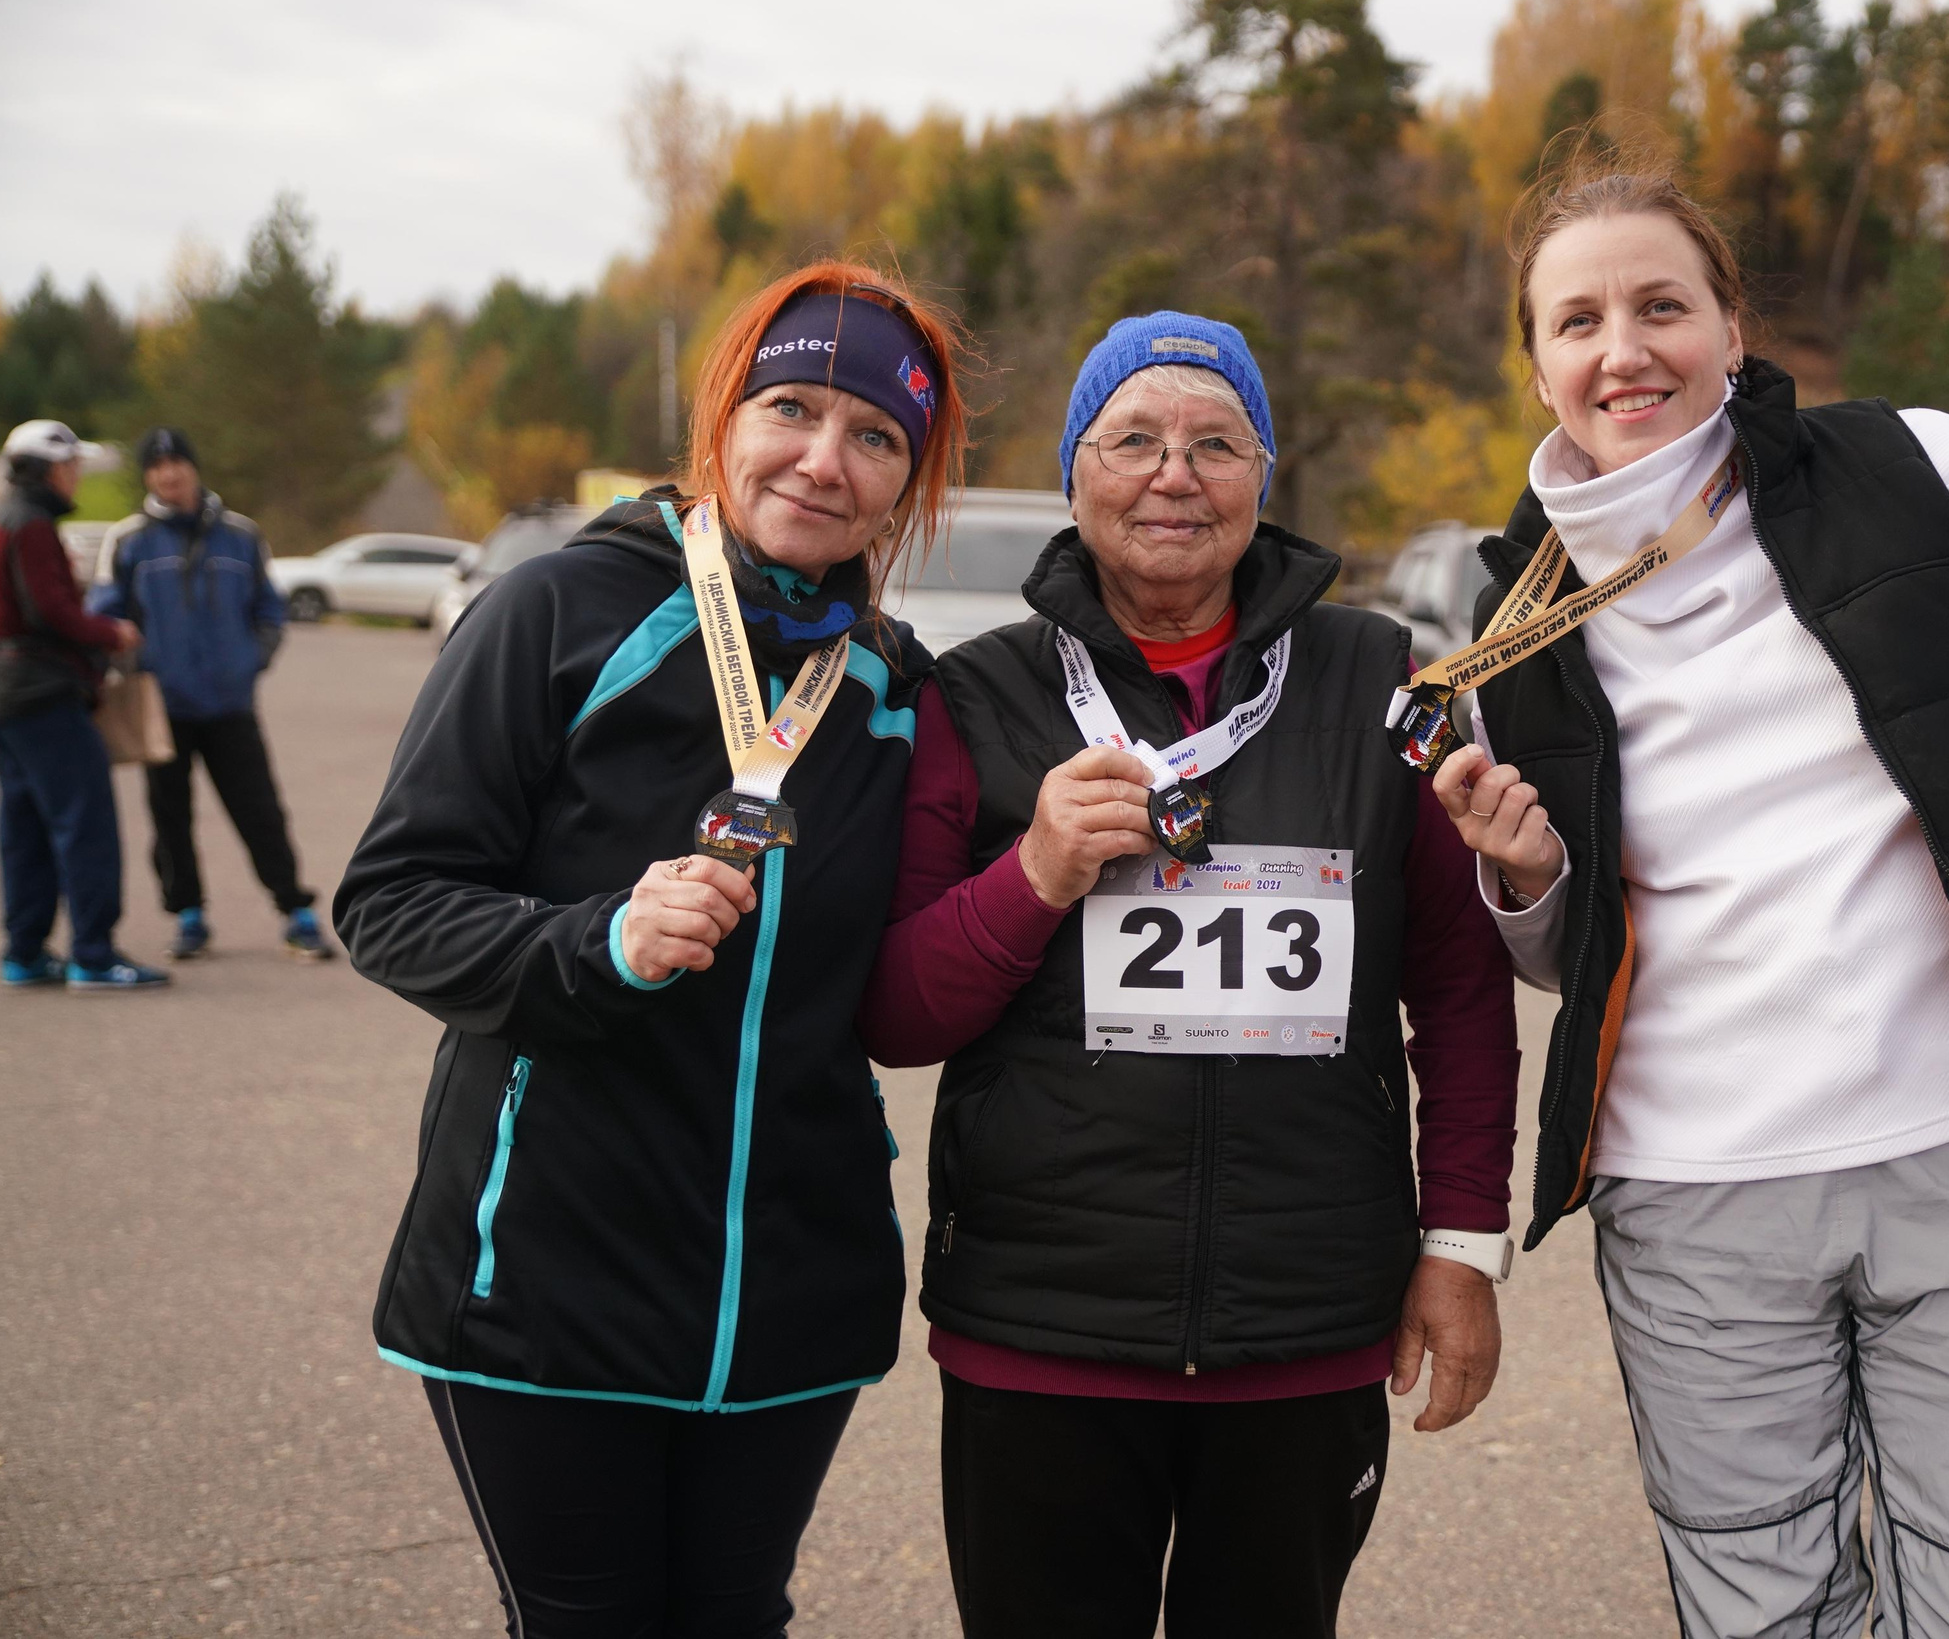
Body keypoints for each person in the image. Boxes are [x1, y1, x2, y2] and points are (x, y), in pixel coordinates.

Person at [1432, 165, 1949, 1637]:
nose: (1626, 349)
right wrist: (1526, 875)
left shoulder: (1926, 470)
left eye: (1664, 304)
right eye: (1579, 317)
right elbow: (1560, 949)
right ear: (1533, 361)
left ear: (1732, 323)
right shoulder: (1513, 625)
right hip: (1692, 1192)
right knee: (1761, 1607)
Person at [860, 312, 1520, 1639]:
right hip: (1043, 1329)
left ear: (1263, 480)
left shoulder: (1387, 679)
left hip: (1307, 1324)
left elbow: (1456, 990)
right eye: (1136, 440)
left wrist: (1460, 1245)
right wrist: (1036, 867)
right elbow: (899, 1011)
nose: (1176, 473)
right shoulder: (976, 696)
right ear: (1073, 473)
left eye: (1218, 442)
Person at [334, 261, 968, 1638]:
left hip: (792, 1290)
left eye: (876, 437)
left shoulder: (894, 685)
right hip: (548, 1275)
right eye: (790, 406)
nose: (823, 458)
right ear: (723, 416)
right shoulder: (558, 612)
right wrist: (596, 938)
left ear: (908, 481)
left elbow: (944, 942)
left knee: (737, 1614)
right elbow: (391, 896)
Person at [91, 427, 332, 960]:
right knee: (169, 816)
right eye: (156, 466)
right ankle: (189, 915)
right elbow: (106, 614)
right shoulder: (129, 539)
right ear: (148, 476)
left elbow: (269, 611)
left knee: (260, 811)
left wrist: (249, 664)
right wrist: (137, 665)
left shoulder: (241, 535)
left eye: (177, 462)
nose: (168, 474)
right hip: (163, 707)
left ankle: (296, 911)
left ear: (193, 468)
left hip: (229, 705)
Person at [0, 419, 169, 991]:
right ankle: (93, 952)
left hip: (2, 690)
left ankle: (25, 951)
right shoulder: (32, 525)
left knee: (25, 825)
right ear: (50, 469)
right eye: (71, 466)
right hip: (43, 692)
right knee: (85, 823)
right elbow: (52, 612)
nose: (76, 475)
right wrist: (112, 633)